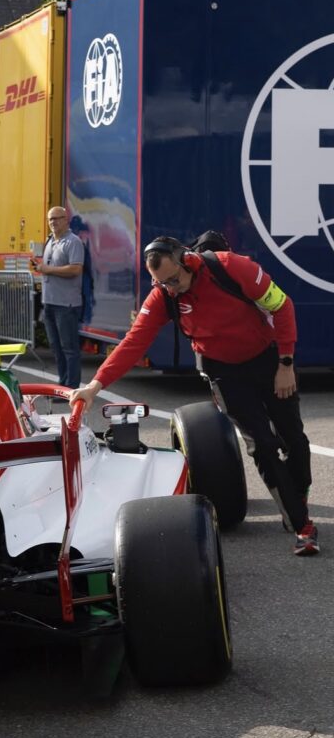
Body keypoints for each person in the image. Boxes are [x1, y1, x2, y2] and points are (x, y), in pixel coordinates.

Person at [69, 235, 319, 557]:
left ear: (187, 261)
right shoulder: (164, 295)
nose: (170, 288)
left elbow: (282, 305)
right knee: (263, 445)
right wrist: (95, 385)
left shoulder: (232, 268)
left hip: (269, 361)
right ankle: (302, 526)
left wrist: (286, 364)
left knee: (294, 439)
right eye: (162, 283)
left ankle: (298, 494)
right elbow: (133, 343)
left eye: (174, 279)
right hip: (224, 373)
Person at [31, 206, 85, 387]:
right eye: (50, 219)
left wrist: (47, 269)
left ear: (65, 219)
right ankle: (62, 385)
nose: (53, 222)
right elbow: (49, 267)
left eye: (56, 218)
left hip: (66, 304)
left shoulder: (73, 241)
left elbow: (76, 269)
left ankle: (72, 388)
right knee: (56, 348)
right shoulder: (50, 241)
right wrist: (40, 267)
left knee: (69, 349)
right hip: (49, 302)